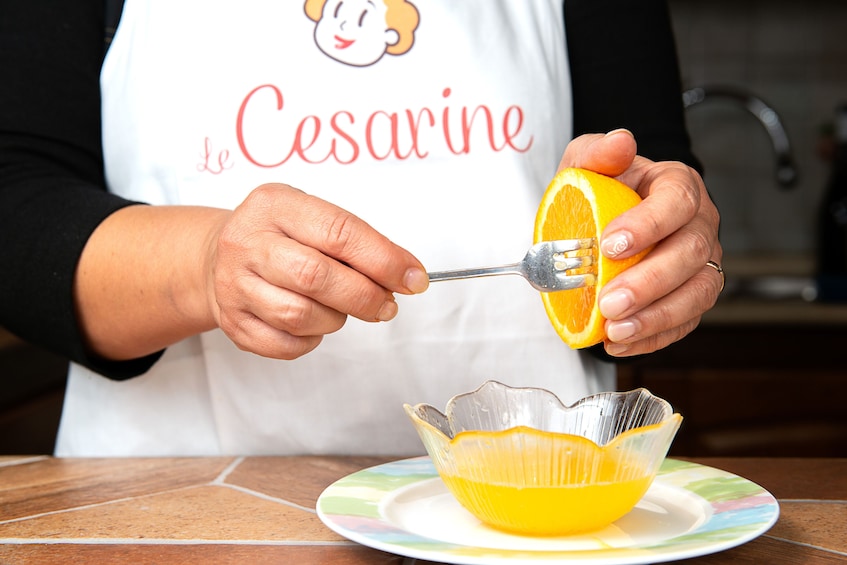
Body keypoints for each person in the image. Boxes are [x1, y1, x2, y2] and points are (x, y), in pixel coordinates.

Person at [0, 0, 722, 456]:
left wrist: (658, 244)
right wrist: (202, 264)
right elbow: (14, 204)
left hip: (535, 511)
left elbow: (646, 163)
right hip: (188, 513)